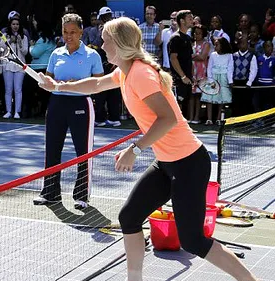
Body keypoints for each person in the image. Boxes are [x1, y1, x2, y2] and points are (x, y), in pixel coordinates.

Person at [37, 16, 258, 281]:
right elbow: (95, 84)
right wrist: (58, 86)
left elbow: (168, 119)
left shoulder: (141, 74)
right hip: (167, 163)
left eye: (105, 41)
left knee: (193, 241)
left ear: (118, 44)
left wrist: (135, 149)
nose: (100, 45)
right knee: (129, 218)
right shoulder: (125, 71)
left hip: (189, 164)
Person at [32, 13, 103, 210]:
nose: (68, 36)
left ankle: (82, 196)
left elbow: (98, 85)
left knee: (83, 152)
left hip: (81, 105)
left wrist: (77, 85)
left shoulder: (92, 55)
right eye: (65, 32)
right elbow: (48, 81)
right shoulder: (56, 54)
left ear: (81, 32)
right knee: (52, 149)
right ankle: (50, 192)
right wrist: (45, 82)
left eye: (73, 32)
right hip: (56, 105)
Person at [202, 37, 233, 125]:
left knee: (221, 99)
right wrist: (210, 80)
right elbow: (209, 67)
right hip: (213, 78)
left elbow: (230, 68)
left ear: (223, 45)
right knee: (210, 99)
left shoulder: (229, 55)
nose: (215, 47)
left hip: (223, 78)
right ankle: (209, 119)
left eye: (217, 45)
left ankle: (219, 118)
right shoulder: (213, 54)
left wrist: (230, 81)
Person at [169, 10, 194, 110]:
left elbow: (189, 59)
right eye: (190, 18)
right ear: (182, 21)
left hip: (187, 79)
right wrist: (183, 76)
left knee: (184, 106)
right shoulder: (175, 38)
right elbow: (173, 58)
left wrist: (191, 76)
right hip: (178, 80)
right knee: (177, 106)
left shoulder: (188, 38)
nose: (192, 21)